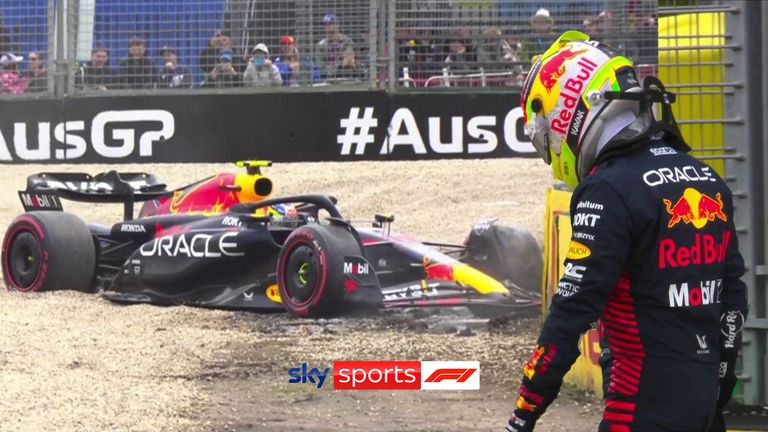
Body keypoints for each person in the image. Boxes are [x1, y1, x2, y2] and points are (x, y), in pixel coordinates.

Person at [506, 31, 748, 432]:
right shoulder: (708, 179)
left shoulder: (606, 189)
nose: (548, 149)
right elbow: (733, 298)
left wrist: (524, 411)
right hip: (707, 408)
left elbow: (570, 311)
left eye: (546, 133)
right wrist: (720, 382)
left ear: (570, 108)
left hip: (640, 410)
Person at [315, 13, 357, 79]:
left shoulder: (347, 41)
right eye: (325, 24)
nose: (327, 26)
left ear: (338, 25)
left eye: (330, 23)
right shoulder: (320, 45)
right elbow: (321, 68)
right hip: (329, 78)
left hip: (347, 76)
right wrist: (337, 69)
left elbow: (350, 61)